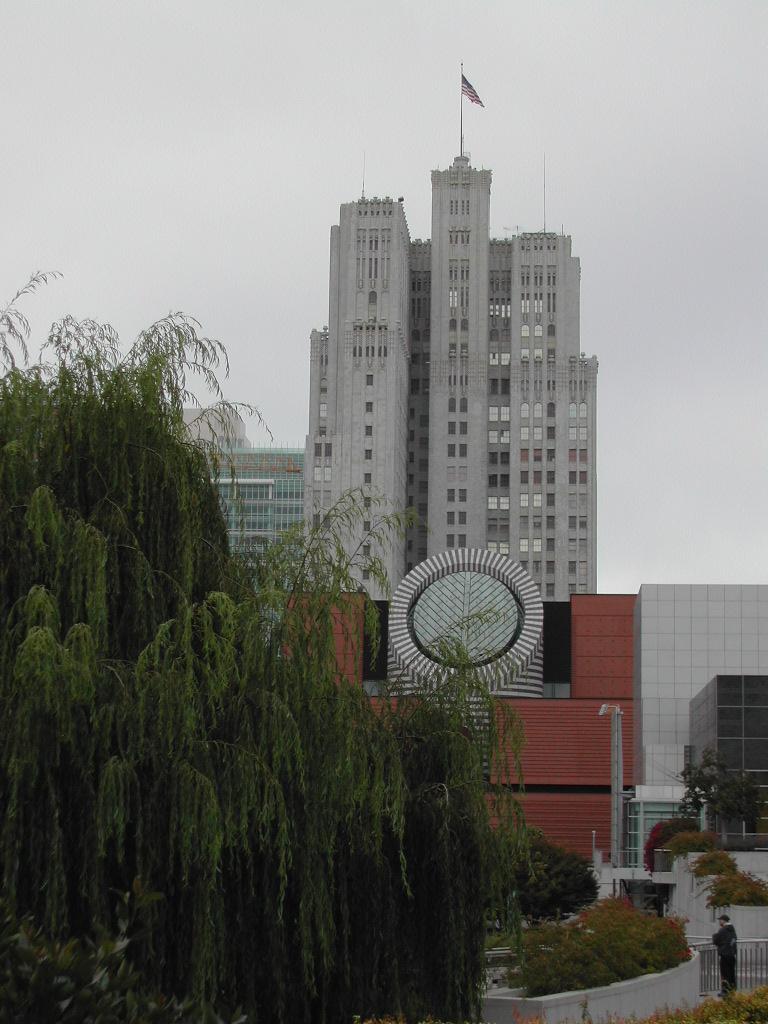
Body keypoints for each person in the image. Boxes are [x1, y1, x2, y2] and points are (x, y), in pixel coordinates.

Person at [712, 913, 737, 995]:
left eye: (720, 920)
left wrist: (714, 936)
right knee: (731, 973)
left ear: (723, 920)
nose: (719, 921)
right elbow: (733, 940)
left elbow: (716, 940)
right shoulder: (732, 929)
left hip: (724, 955)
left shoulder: (722, 930)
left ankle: (725, 991)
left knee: (725, 973)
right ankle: (732, 989)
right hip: (732, 955)